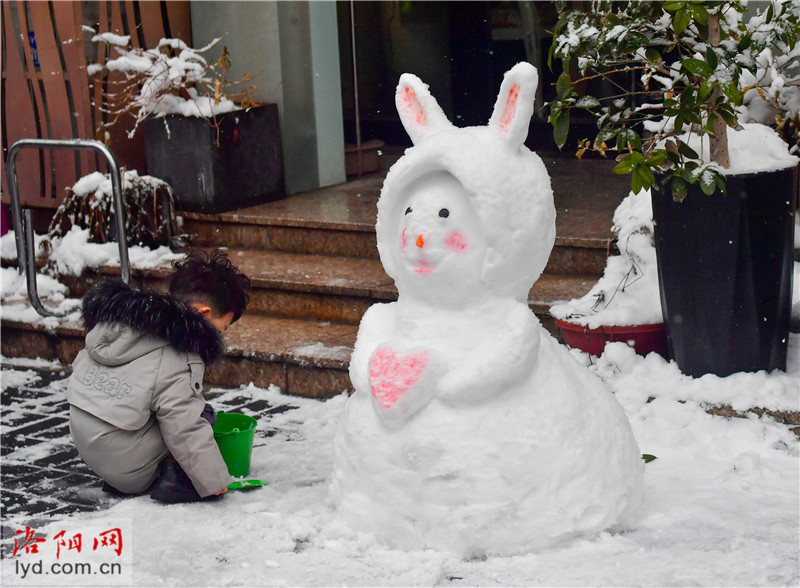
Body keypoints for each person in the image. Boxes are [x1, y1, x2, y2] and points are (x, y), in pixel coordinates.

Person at [66, 249, 251, 503]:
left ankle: (120, 466)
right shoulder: (179, 354)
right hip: (128, 467)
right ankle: (173, 483)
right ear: (203, 313)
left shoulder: (123, 322)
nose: (221, 335)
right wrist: (215, 481)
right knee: (201, 416)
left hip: (87, 442)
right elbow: (184, 427)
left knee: (153, 403)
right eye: (223, 328)